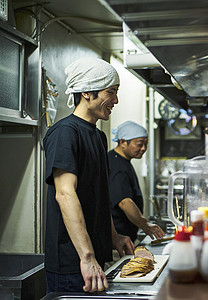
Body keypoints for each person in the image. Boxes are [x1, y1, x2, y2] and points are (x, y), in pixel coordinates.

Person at [43, 58, 134, 294]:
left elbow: (99, 196)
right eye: (110, 92)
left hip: (93, 260)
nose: (115, 100)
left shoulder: (98, 136)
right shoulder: (65, 133)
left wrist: (113, 236)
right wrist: (87, 257)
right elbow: (64, 195)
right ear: (86, 91)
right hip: (73, 264)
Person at [108, 121, 165, 242]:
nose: (143, 148)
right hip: (118, 239)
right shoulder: (117, 166)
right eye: (139, 144)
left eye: (146, 144)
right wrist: (146, 225)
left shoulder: (121, 161)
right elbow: (125, 202)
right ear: (123, 142)